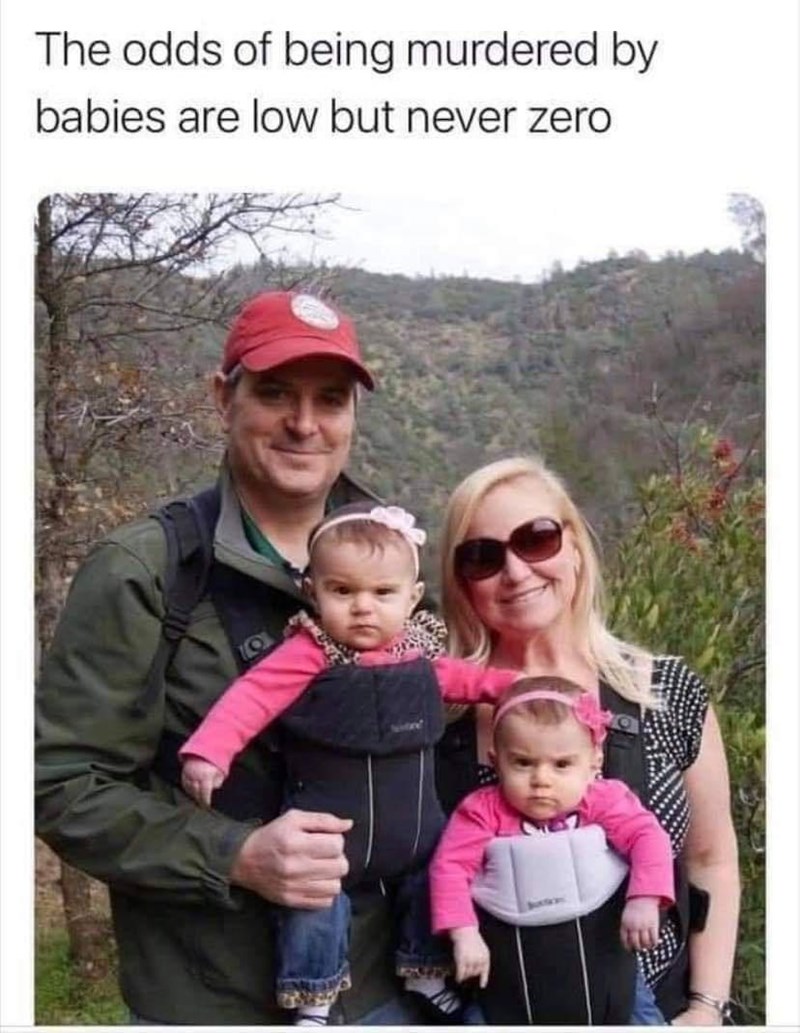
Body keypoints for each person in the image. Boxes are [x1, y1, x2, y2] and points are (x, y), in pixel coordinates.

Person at [36, 290, 442, 1025]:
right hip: (213, 1000)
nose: (305, 423)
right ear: (224, 397)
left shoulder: (397, 561)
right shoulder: (148, 571)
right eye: (276, 392)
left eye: (331, 399)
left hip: (389, 992)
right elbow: (63, 783)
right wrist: (234, 853)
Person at [179, 501, 520, 1024]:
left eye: (382, 593)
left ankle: (425, 968)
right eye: (343, 591)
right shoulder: (309, 653)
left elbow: (469, 681)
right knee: (315, 902)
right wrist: (210, 750)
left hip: (415, 832)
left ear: (411, 598)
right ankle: (314, 997)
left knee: (436, 877)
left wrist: (519, 689)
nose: (363, 608)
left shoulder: (418, 657)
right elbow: (252, 697)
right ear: (313, 592)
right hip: (331, 834)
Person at [437, 455, 740, 1026]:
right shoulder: (435, 718)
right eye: (483, 556)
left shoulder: (662, 692)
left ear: (575, 546)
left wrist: (706, 1007)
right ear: (461, 581)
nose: (516, 571)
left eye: (537, 539)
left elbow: (711, 859)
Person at [430, 675, 675, 1025]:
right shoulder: (481, 812)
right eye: (523, 763)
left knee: (638, 1013)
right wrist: (464, 933)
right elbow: (450, 868)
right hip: (511, 965)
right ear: (496, 761)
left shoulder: (604, 800)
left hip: (602, 959)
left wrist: (644, 899)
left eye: (561, 765)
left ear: (594, 762)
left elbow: (648, 837)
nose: (541, 780)